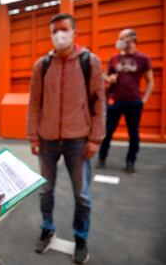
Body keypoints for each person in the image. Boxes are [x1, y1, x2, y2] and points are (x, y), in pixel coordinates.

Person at [27, 13, 105, 264]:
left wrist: (95, 138)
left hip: (78, 140)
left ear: (74, 32)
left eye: (63, 29)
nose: (59, 35)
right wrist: (33, 136)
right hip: (48, 139)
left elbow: (98, 102)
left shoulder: (89, 62)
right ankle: (47, 228)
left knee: (82, 194)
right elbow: (34, 103)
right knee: (45, 190)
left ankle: (81, 237)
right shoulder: (43, 65)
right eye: (54, 31)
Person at [96, 29, 154, 174]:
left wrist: (145, 98)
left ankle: (130, 162)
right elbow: (104, 74)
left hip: (134, 102)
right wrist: (109, 79)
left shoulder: (143, 58)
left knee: (133, 133)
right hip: (115, 101)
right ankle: (102, 158)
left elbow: (150, 81)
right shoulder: (114, 58)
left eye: (121, 38)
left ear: (132, 39)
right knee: (108, 131)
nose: (119, 41)